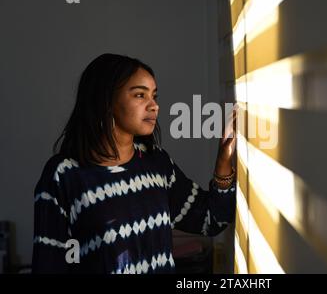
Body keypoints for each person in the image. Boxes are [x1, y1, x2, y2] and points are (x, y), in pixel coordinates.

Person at [32, 53, 237, 274]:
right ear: (107, 100)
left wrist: (223, 161)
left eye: (154, 96)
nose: (154, 106)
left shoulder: (157, 162)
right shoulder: (63, 175)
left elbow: (211, 219)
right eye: (140, 95)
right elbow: (50, 264)